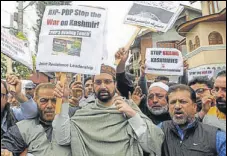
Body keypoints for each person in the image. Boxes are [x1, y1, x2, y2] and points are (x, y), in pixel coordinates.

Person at [53, 64, 164, 156]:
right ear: (93, 85)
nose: (103, 86)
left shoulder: (129, 108)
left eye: (107, 82)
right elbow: (63, 139)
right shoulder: (84, 113)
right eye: (98, 82)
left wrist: (132, 115)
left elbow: (151, 144)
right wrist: (63, 101)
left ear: (115, 84)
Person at [1, 83, 71, 156]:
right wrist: (5, 152)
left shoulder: (73, 126)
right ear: (35, 100)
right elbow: (7, 146)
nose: (49, 105)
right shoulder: (23, 129)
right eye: (44, 100)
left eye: (54, 100)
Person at [160, 84, 226, 156]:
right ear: (168, 107)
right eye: (173, 102)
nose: (177, 106)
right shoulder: (159, 130)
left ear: (194, 107)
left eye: (183, 102)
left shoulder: (216, 137)